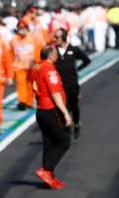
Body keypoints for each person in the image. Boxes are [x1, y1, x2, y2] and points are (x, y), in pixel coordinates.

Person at [32, 45, 73, 190]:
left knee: (49, 142)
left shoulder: (37, 68)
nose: (57, 56)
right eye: (55, 54)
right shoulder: (48, 69)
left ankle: (49, 176)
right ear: (50, 56)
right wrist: (65, 113)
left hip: (41, 110)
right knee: (64, 140)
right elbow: (55, 92)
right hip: (50, 110)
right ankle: (47, 169)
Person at [52, 27, 90, 139]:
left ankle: (77, 124)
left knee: (74, 106)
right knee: (63, 107)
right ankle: (66, 127)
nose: (55, 39)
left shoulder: (74, 49)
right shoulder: (53, 51)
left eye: (57, 37)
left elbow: (87, 60)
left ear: (63, 37)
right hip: (58, 85)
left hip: (72, 84)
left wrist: (78, 69)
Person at [11, 21, 43, 111]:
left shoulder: (33, 38)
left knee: (31, 84)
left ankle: (29, 101)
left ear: (27, 28)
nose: (21, 30)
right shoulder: (14, 40)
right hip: (19, 66)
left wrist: (37, 62)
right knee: (21, 84)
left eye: (23, 28)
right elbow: (10, 52)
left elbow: (39, 50)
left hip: (31, 65)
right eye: (20, 28)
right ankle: (22, 101)